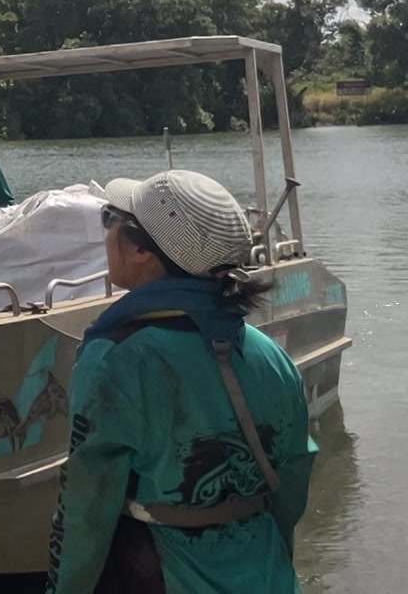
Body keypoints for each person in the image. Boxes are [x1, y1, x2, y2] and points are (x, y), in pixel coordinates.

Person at [45, 169, 315, 593]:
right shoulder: (270, 355)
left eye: (110, 219)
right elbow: (292, 481)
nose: (107, 232)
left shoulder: (116, 359)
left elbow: (85, 507)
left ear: (142, 252)